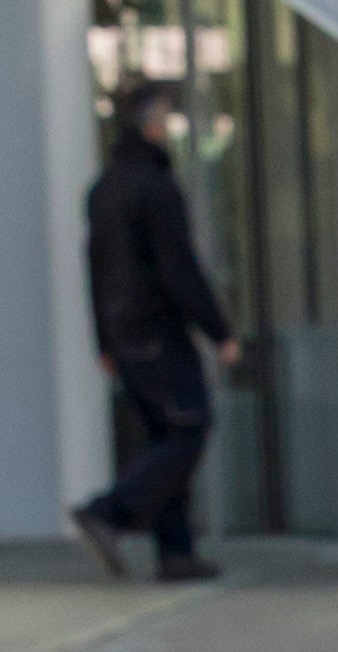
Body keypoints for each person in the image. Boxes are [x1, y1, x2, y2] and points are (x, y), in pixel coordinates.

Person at [71, 85, 235, 586]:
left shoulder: (104, 188)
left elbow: (95, 269)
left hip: (125, 335)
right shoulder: (155, 188)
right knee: (187, 428)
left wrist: (104, 340)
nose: (170, 126)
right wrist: (218, 330)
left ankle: (176, 552)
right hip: (157, 331)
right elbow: (178, 268)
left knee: (166, 434)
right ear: (147, 125)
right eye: (164, 116)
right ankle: (109, 512)